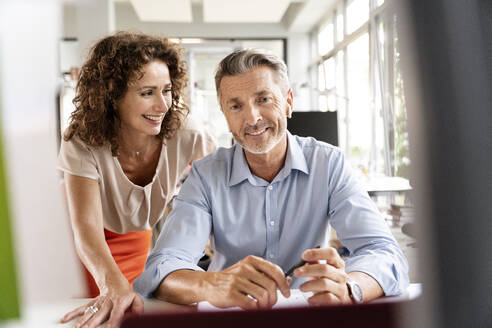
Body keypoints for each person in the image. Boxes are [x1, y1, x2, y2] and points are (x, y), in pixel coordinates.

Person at [134, 49, 409, 309]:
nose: (252, 117)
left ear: (288, 102)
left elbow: (384, 252)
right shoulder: (206, 175)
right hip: (231, 313)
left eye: (263, 99)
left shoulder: (328, 163)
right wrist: (212, 284)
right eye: (236, 106)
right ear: (226, 116)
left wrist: (350, 288)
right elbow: (163, 267)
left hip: (310, 311)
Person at [57, 32, 216, 327]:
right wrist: (111, 283)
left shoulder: (187, 133)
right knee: (101, 315)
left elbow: (221, 199)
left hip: (136, 236)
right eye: (147, 93)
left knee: (135, 312)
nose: (162, 105)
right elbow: (86, 229)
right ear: (112, 96)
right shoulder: (82, 140)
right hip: (84, 243)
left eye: (167, 90)